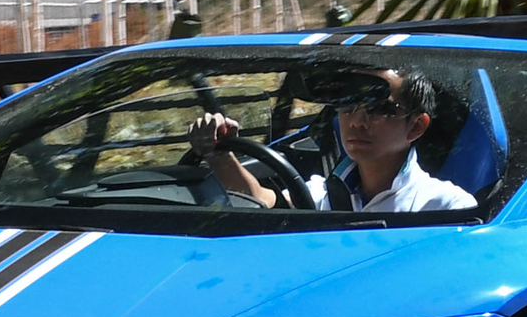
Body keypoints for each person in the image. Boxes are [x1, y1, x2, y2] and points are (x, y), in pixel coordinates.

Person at [189, 68, 475, 213]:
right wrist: (219, 152)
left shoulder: (446, 206)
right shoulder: (321, 195)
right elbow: (261, 202)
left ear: (416, 127)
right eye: (348, 106)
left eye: (378, 109)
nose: (357, 121)